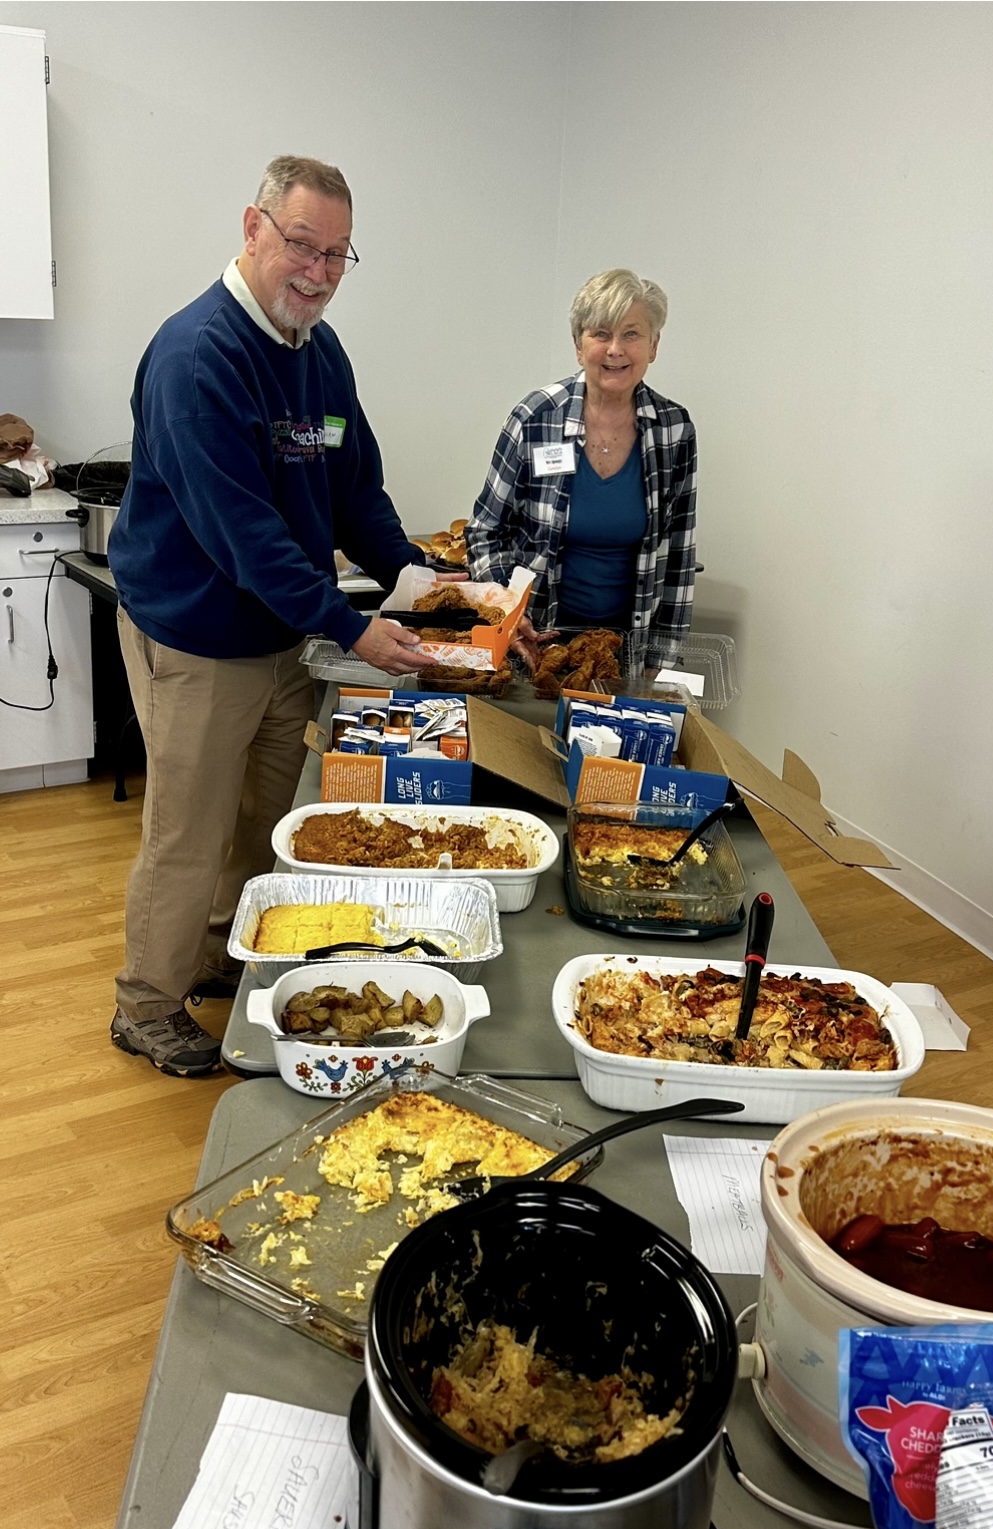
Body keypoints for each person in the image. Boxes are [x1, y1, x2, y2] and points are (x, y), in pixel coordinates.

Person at [107, 155, 432, 1077]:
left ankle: (213, 955)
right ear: (252, 229)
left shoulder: (318, 355)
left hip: (286, 634)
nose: (318, 272)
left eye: (337, 254)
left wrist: (418, 581)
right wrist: (356, 624)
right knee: (188, 829)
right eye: (301, 244)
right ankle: (146, 1001)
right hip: (198, 636)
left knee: (262, 821)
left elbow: (353, 491)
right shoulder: (196, 356)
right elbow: (242, 534)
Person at [466, 268, 697, 670]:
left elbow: (678, 552)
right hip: (534, 645)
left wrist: (663, 663)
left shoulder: (673, 429)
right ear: (578, 344)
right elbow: (485, 532)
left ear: (653, 345)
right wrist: (507, 609)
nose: (615, 350)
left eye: (631, 334)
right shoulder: (535, 417)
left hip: (626, 653)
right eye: (601, 334)